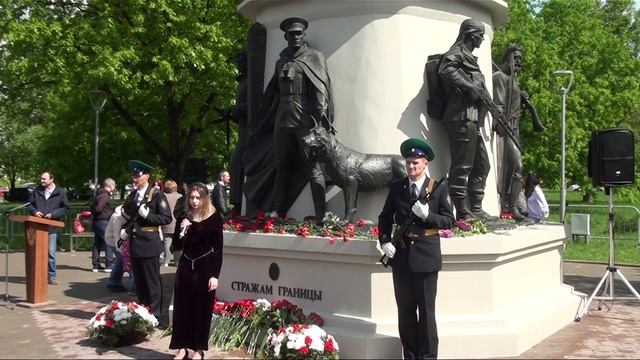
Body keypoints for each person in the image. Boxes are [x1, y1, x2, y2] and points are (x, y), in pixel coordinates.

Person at [378, 138, 455, 359]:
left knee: (427, 315)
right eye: (408, 162)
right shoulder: (397, 187)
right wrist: (385, 240)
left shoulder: (438, 189)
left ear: (425, 164)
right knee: (406, 313)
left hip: (425, 258)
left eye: (415, 163)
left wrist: (428, 216)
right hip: (401, 257)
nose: (411, 167)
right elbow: (384, 217)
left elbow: (449, 221)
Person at [265, 16, 333, 224]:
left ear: (304, 36)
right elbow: (274, 93)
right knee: (281, 167)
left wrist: (320, 116)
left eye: (299, 33)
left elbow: (321, 87)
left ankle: (321, 213)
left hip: (305, 120)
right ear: (285, 36)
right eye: (291, 34)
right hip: (282, 120)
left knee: (313, 169)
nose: (295, 37)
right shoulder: (280, 62)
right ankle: (278, 210)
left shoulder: (314, 57)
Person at [438, 18, 492, 220]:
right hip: (460, 117)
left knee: (482, 165)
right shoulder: (456, 54)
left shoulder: (470, 58)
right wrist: (471, 87)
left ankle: (476, 207)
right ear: (470, 34)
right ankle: (462, 211)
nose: (482, 40)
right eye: (480, 36)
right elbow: (446, 70)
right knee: (462, 166)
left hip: (473, 119)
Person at [169, 183, 224, 360]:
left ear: (204, 198)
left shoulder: (214, 219)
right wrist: (182, 231)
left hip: (205, 267)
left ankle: (199, 349)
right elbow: (175, 247)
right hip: (185, 266)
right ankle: (181, 347)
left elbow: (218, 249)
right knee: (182, 308)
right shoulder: (183, 217)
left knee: (202, 310)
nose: (194, 201)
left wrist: (215, 275)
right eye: (191, 197)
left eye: (197, 198)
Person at [493, 43, 545, 221]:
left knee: (516, 169)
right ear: (507, 58)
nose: (518, 62)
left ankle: (512, 205)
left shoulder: (514, 82)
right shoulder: (500, 77)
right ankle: (509, 206)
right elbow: (499, 105)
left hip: (516, 128)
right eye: (515, 58)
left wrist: (526, 104)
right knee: (516, 167)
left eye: (520, 59)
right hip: (507, 127)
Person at [120, 160, 172, 319]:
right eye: (133, 175)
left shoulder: (157, 195)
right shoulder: (134, 195)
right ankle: (143, 311)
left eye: (138, 175)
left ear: (147, 176)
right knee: (140, 282)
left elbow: (166, 218)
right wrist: (126, 230)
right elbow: (131, 216)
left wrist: (148, 216)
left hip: (149, 242)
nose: (134, 178)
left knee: (152, 282)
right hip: (136, 242)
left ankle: (156, 314)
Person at [27, 170, 70, 285]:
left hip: (52, 226)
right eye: (41, 178)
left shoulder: (60, 192)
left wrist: (53, 214)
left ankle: (51, 276)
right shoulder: (37, 190)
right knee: (37, 253)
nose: (41, 181)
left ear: (51, 180)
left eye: (44, 179)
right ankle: (38, 275)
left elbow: (65, 208)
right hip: (38, 225)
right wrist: (35, 212)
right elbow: (29, 204)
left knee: (50, 252)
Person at [227, 50, 248, 213]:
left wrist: (234, 110)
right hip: (243, 128)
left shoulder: (250, 80)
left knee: (236, 163)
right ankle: (238, 203)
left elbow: (253, 104)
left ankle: (238, 203)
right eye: (237, 59)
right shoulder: (241, 81)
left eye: (241, 59)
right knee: (236, 164)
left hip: (250, 131)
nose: (238, 62)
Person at [105, 204, 134, 293]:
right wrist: (119, 248)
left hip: (120, 239)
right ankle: (113, 283)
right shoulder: (117, 217)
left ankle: (114, 282)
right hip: (112, 239)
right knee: (121, 260)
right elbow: (116, 234)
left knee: (120, 261)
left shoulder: (125, 213)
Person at [90, 178, 116, 272]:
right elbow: (98, 208)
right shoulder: (105, 196)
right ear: (110, 185)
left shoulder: (98, 194)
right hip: (103, 220)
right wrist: (108, 213)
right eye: (114, 185)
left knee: (97, 243)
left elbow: (94, 207)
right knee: (108, 241)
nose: (115, 187)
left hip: (96, 221)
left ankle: (95, 265)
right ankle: (109, 264)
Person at [162, 180, 183, 267]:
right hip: (178, 222)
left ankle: (166, 261)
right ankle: (177, 261)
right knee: (177, 243)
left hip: (167, 223)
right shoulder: (180, 196)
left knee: (167, 242)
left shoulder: (164, 197)